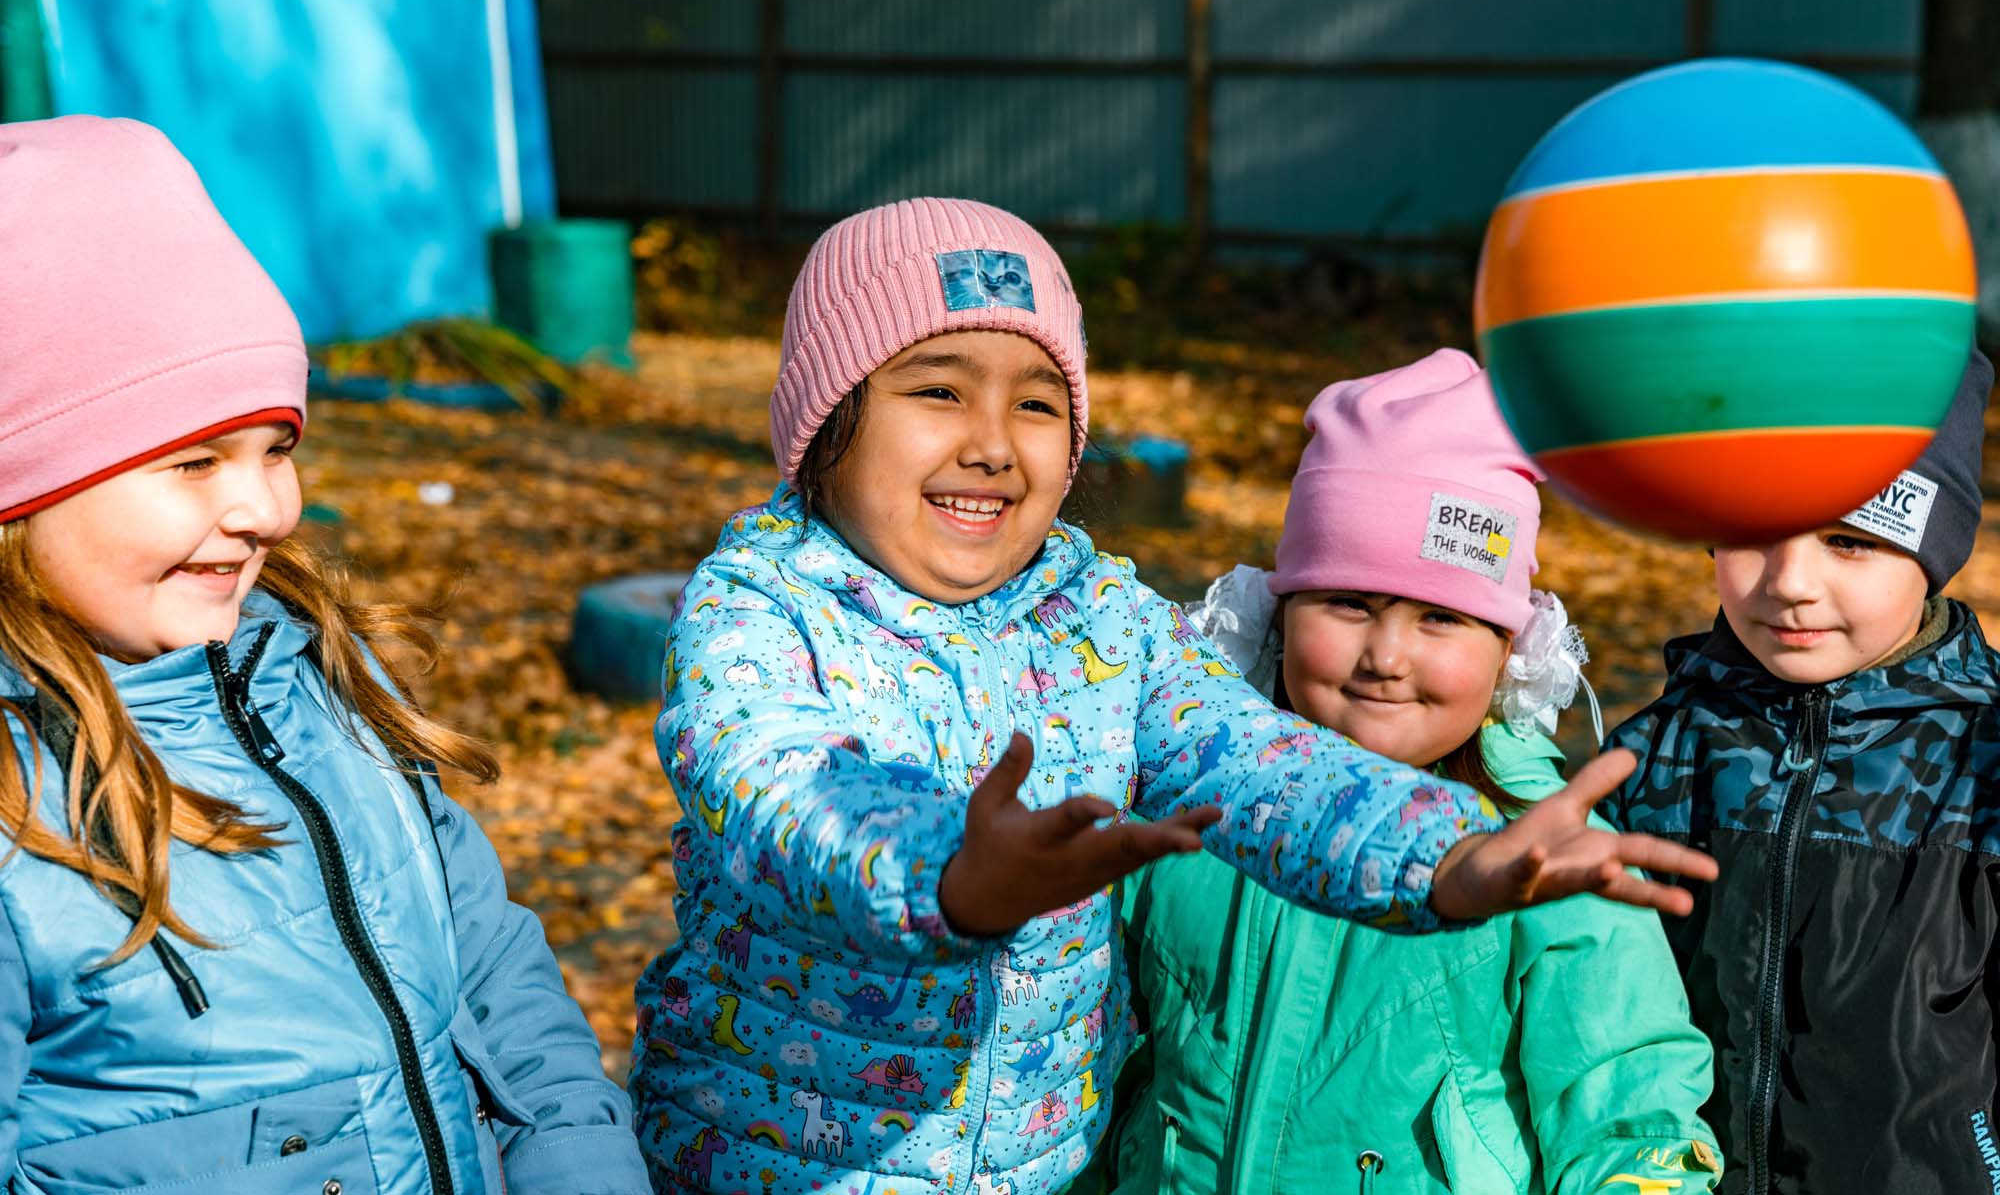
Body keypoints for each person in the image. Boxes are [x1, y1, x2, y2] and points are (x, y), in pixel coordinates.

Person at [628, 198, 1715, 1193]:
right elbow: (779, 794)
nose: (993, 444)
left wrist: (1441, 856)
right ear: (828, 418)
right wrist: (952, 875)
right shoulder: (758, 611)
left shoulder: (1103, 620)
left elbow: (1255, 758)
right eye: (939, 390)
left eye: (1036, 403)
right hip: (780, 1168)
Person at [0, 115, 646, 1195]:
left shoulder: (314, 679)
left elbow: (490, 965)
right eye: (195, 461)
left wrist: (582, 1169)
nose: (266, 508)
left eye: (277, 448)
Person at [1108, 349, 1720, 1194]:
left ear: (1507, 647)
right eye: (1348, 602)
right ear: (1282, 612)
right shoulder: (1189, 810)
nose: (1386, 656)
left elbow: (1631, 1111)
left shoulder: (1544, 857)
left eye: (1439, 617)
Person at [1608, 349, 1998, 1195]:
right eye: (1755, 531)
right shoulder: (1657, 755)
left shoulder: (1982, 764)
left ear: (1932, 550)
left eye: (1848, 541)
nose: (1790, 583)